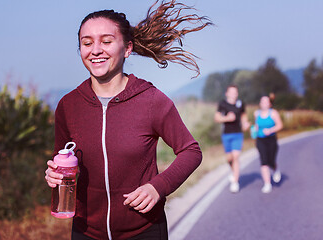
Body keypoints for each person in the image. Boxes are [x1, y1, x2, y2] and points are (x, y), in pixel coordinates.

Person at [44, 1, 212, 239]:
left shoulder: (151, 100)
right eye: (87, 43)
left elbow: (191, 151)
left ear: (127, 48)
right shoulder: (68, 105)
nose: (95, 50)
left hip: (144, 230)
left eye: (107, 41)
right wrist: (53, 173)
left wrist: (158, 187)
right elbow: (62, 158)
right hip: (85, 232)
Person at [214, 85, 250, 193]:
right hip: (226, 134)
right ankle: (233, 171)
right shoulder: (222, 104)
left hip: (238, 134)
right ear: (227, 93)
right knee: (230, 158)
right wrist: (227, 118)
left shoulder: (240, 104)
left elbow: (244, 116)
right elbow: (217, 118)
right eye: (232, 92)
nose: (234, 94)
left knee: (236, 157)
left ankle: (235, 182)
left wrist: (245, 124)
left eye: (235, 92)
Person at [254, 95, 283, 193]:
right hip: (260, 140)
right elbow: (256, 125)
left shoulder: (274, 113)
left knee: (271, 160)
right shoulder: (256, 114)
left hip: (271, 139)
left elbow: (280, 125)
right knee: (264, 161)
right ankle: (267, 183)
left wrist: (270, 130)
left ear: (269, 104)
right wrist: (254, 130)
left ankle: (275, 168)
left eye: (266, 102)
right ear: (260, 104)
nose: (264, 104)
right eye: (262, 101)